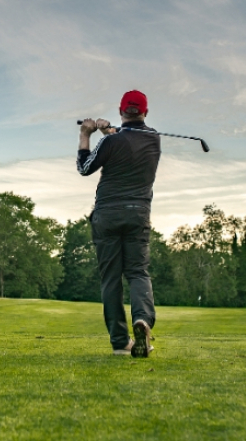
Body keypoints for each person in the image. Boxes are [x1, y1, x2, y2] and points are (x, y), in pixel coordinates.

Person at [77, 90, 161, 357]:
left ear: (120, 110)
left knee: (111, 279)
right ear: (145, 112)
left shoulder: (111, 142)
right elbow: (127, 145)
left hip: (108, 215)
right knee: (137, 272)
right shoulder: (154, 139)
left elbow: (84, 167)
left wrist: (87, 134)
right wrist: (108, 134)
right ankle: (143, 321)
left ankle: (120, 343)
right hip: (138, 214)